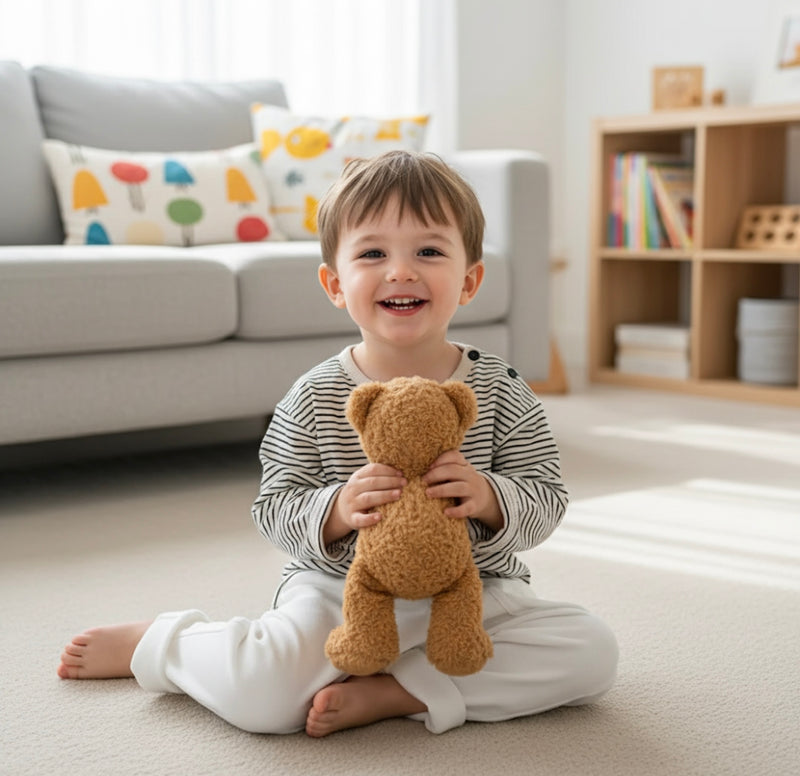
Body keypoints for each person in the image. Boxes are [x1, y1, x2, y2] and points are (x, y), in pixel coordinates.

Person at [58, 150, 618, 737]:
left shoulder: (502, 390)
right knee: (264, 698)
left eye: (428, 251)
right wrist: (336, 509)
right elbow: (273, 507)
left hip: (475, 589)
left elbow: (546, 497)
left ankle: (402, 690)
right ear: (334, 283)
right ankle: (164, 643)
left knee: (590, 652)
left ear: (470, 280)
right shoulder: (315, 395)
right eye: (373, 253)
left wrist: (490, 495)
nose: (401, 271)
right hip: (341, 590)